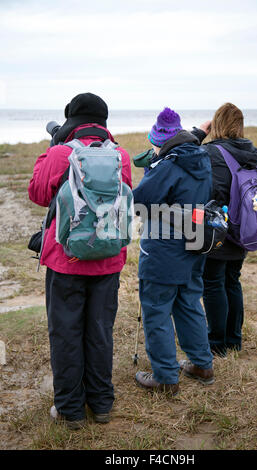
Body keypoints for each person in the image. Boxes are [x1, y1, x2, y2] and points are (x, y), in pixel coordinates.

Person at [28, 92, 132, 429]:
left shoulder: (60, 153)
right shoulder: (122, 156)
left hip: (65, 260)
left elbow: (37, 193)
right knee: (100, 332)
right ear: (103, 122)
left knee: (66, 334)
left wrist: (54, 150)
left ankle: (70, 410)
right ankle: (101, 404)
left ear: (71, 120)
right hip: (109, 260)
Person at [133, 107, 214, 395]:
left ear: (161, 140)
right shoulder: (200, 158)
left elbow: (139, 200)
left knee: (156, 309)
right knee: (189, 302)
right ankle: (202, 364)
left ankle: (166, 377)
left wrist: (150, 167)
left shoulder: (167, 165)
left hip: (164, 249)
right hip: (195, 241)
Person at [192, 103, 257, 357]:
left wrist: (198, 134)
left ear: (216, 124)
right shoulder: (251, 153)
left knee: (213, 283)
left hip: (218, 227)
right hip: (245, 226)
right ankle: (234, 339)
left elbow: (209, 189)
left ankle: (217, 343)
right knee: (232, 281)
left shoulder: (211, 153)